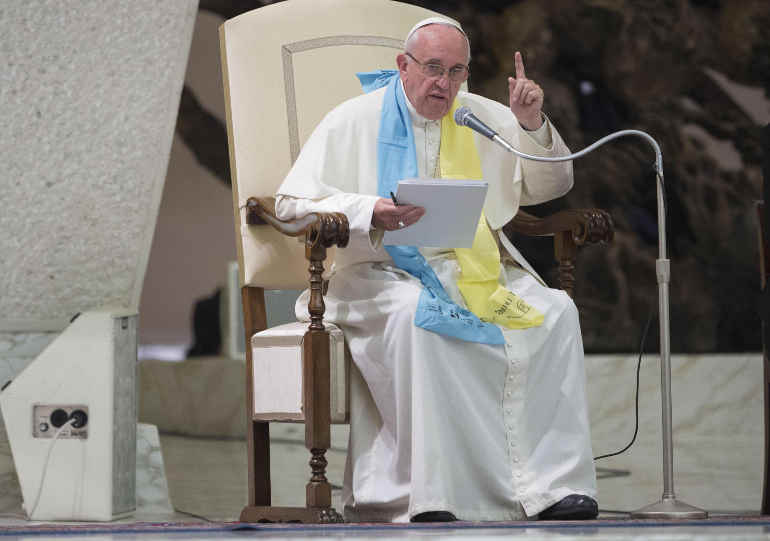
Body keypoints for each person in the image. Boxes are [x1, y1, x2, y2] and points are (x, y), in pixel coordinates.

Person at [275, 16, 598, 523]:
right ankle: (435, 494)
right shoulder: (354, 119)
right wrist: (368, 209)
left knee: (556, 312)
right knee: (421, 320)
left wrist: (531, 125)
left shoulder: (479, 116)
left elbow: (549, 187)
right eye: (431, 68)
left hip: (471, 272)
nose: (443, 84)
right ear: (403, 65)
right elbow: (292, 204)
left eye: (455, 71)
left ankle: (551, 487)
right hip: (380, 274)